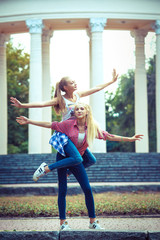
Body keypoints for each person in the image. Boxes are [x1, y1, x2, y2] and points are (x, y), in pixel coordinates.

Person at [16, 102, 143, 230]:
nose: (79, 111)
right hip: (63, 158)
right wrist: (29, 121)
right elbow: (50, 124)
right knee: (62, 191)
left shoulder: (92, 127)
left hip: (76, 162)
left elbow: (109, 136)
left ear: (87, 111)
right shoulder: (68, 124)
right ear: (74, 112)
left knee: (87, 189)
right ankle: (63, 223)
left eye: (82, 109)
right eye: (77, 109)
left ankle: (93, 222)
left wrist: (130, 139)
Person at [11, 70, 119, 176]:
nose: (75, 84)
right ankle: (48, 169)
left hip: (77, 131)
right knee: (77, 158)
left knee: (91, 160)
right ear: (66, 88)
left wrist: (111, 81)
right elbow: (42, 103)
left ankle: (68, 173)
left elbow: (96, 88)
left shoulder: (78, 95)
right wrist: (22, 105)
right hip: (66, 133)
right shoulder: (60, 99)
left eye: (74, 82)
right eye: (72, 83)